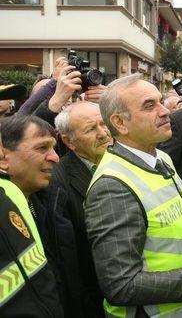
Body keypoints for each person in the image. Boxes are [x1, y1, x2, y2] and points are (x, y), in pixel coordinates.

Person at [85, 74, 182, 317]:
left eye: (161, 102)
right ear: (120, 123)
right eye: (150, 106)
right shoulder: (112, 188)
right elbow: (121, 286)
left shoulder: (161, 158)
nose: (165, 112)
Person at [0, 98, 63, 317]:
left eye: (54, 148)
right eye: (42, 148)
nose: (55, 157)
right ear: (3, 158)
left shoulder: (49, 199)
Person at [52, 101, 112, 316]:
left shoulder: (123, 161)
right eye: (91, 129)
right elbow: (69, 259)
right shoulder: (58, 181)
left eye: (104, 124)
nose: (103, 133)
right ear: (69, 141)